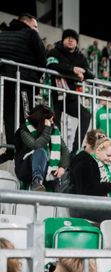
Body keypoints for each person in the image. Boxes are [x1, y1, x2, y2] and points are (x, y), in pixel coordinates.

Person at [0, 13, 47, 164]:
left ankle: (11, 149)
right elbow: (43, 59)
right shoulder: (31, 34)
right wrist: (37, 75)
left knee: (9, 116)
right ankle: (25, 150)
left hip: (5, 82)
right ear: (27, 23)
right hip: (24, 82)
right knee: (26, 117)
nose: (37, 29)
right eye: (35, 26)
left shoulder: (3, 34)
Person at [46, 29, 94, 152]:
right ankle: (55, 153)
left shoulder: (80, 56)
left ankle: (75, 150)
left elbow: (91, 74)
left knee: (85, 115)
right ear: (63, 40)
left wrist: (83, 72)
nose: (70, 40)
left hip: (70, 97)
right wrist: (72, 70)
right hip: (55, 95)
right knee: (55, 126)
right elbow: (51, 65)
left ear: (76, 42)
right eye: (67, 37)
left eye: (73, 38)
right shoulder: (54, 51)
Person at [14, 104, 69, 191]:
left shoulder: (53, 130)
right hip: (25, 168)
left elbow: (65, 150)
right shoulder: (24, 130)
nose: (52, 122)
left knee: (67, 172)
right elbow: (37, 145)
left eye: (52, 120)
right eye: (49, 120)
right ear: (40, 120)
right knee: (41, 151)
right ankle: (37, 182)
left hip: (46, 168)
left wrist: (62, 167)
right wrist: (47, 129)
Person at [70, 137, 111, 221]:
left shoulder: (107, 166)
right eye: (108, 155)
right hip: (88, 211)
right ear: (98, 151)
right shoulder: (87, 163)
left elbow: (110, 191)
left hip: (103, 209)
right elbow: (87, 191)